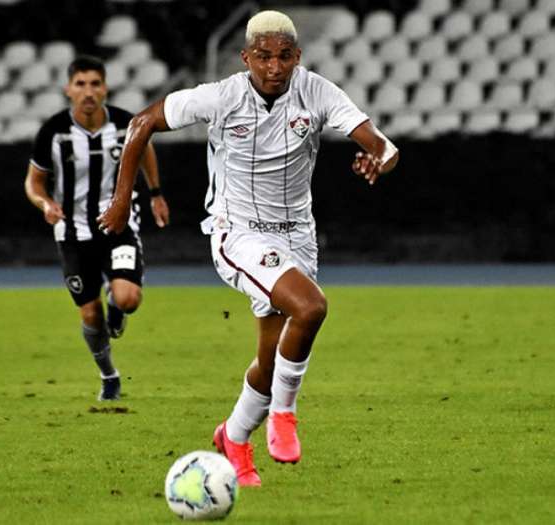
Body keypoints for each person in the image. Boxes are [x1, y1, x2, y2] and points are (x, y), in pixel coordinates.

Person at [98, 10, 398, 485]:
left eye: (283, 57)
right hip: (237, 231)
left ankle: (233, 438)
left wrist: (379, 159)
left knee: (270, 358)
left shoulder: (317, 91)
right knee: (311, 308)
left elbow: (379, 141)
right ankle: (284, 416)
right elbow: (141, 123)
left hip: (298, 234)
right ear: (246, 58)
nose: (274, 67)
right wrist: (121, 199)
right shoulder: (221, 96)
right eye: (263, 57)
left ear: (297, 56)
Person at [25, 55, 170, 401]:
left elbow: (145, 151)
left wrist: (155, 193)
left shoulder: (125, 123)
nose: (88, 92)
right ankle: (109, 376)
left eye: (95, 84)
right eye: (81, 84)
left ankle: (117, 306)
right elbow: (34, 182)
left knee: (128, 298)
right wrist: (45, 204)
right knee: (90, 313)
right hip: (72, 233)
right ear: (68, 90)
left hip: (118, 225)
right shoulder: (53, 132)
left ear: (105, 88)